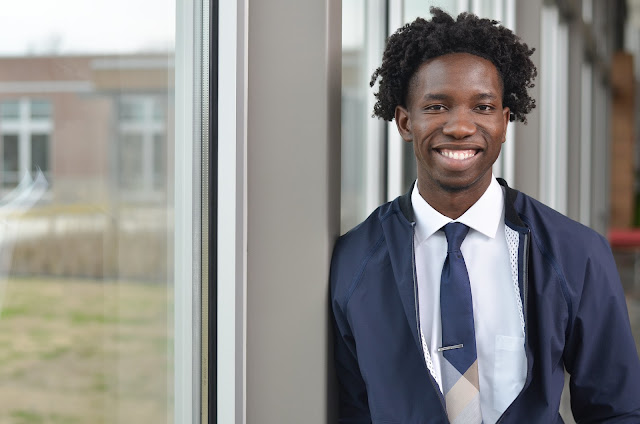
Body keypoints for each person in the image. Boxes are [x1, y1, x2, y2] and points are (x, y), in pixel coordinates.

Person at [330, 7, 640, 424]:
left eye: (483, 106)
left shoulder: (575, 252)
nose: (460, 126)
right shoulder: (354, 260)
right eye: (437, 106)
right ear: (405, 122)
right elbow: (352, 410)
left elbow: (618, 410)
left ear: (505, 121)